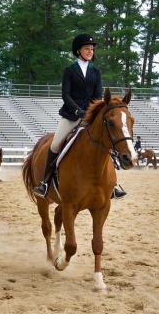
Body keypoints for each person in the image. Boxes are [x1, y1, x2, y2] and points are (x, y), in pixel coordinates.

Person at [33, 34, 126, 199]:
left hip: (90, 117)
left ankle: (112, 185)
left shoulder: (95, 71)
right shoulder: (70, 70)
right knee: (55, 145)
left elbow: (97, 96)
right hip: (71, 116)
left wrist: (91, 112)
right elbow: (65, 95)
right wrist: (77, 111)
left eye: (92, 49)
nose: (90, 51)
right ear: (78, 50)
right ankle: (45, 183)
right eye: (87, 48)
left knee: (106, 145)